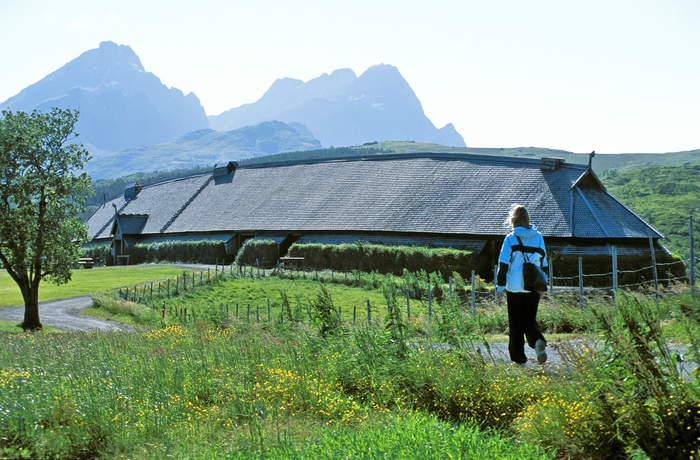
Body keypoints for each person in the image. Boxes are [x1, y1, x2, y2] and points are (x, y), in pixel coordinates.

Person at [495, 204, 548, 365]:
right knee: (529, 320)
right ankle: (537, 340)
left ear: (514, 219)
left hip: (515, 286)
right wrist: (543, 286)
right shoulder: (538, 237)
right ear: (527, 219)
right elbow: (544, 263)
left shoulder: (511, 238)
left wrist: (500, 288)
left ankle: (519, 360)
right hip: (533, 285)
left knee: (516, 324)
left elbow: (503, 265)